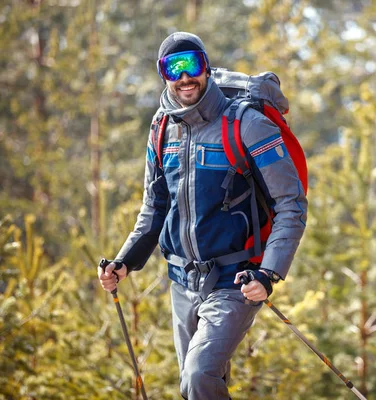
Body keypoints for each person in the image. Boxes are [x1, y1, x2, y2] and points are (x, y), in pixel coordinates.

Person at [98, 31, 307, 400]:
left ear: (206, 66)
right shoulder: (161, 128)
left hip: (235, 280)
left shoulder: (245, 122)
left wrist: (269, 273)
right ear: (163, 75)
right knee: (196, 387)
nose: (184, 77)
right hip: (181, 280)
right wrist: (124, 262)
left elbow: (290, 202)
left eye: (191, 64)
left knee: (197, 377)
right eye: (172, 68)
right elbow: (155, 207)